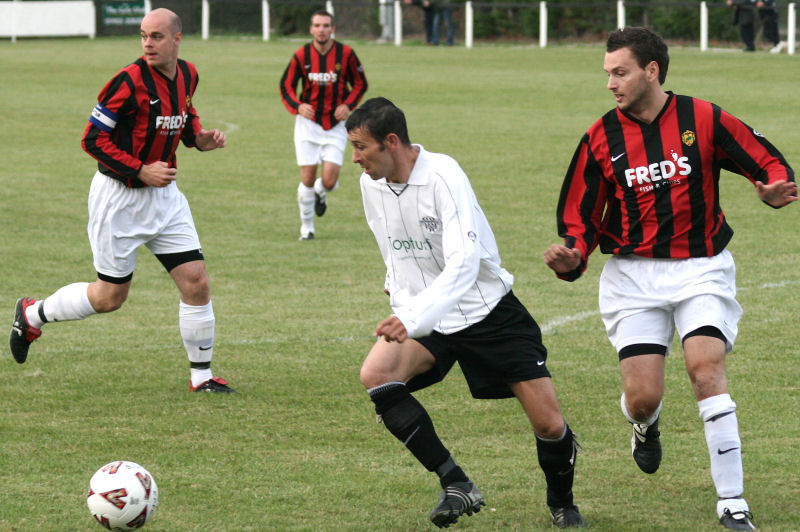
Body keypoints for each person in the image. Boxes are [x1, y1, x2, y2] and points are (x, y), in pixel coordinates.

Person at [544, 27, 795, 531]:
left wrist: (770, 186)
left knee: (706, 370)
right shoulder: (600, 137)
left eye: (620, 72)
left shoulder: (701, 117)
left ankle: (732, 502)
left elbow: (763, 157)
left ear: (651, 71)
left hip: (701, 267)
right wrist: (572, 254)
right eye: (608, 73)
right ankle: (643, 425)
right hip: (633, 278)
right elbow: (580, 214)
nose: (611, 83)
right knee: (643, 397)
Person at [348, 97, 585, 529]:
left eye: (362, 147)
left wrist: (413, 314)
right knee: (377, 376)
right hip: (429, 317)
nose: (355, 158)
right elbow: (389, 241)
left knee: (550, 426)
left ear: (392, 141)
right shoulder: (370, 184)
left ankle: (562, 503)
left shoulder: (443, 175)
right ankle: (455, 482)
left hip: (487, 311)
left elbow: (465, 261)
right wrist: (398, 288)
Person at [9, 8, 235, 394]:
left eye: (157, 36)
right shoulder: (127, 82)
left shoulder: (187, 74)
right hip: (119, 200)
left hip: (166, 199)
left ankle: (202, 377)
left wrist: (199, 138)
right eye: (143, 35)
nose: (148, 43)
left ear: (177, 39)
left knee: (196, 282)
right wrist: (140, 170)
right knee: (110, 297)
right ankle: (32, 313)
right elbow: (92, 140)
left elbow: (183, 115)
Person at [279, 10, 368, 241]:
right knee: (306, 178)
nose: (321, 29)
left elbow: (360, 83)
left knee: (329, 182)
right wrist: (298, 106)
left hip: (337, 124)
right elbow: (286, 86)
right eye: (317, 25)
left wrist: (348, 105)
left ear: (333, 29)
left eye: (326, 25)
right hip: (308, 125)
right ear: (311, 29)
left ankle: (321, 191)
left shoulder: (345, 53)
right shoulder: (301, 55)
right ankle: (307, 228)